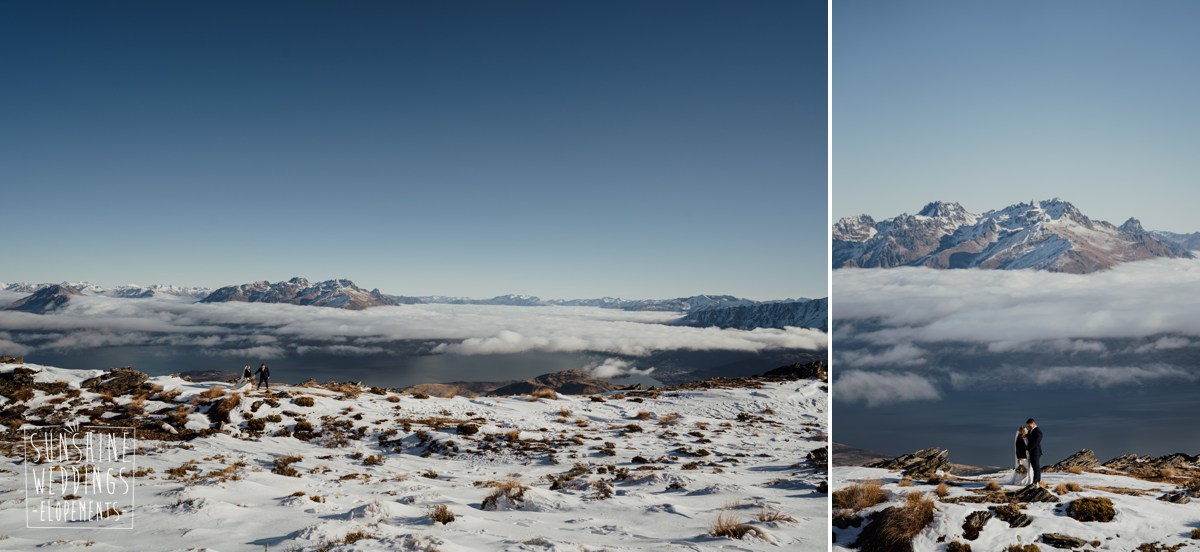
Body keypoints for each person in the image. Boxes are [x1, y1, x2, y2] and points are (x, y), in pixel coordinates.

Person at [1026, 418, 1043, 487]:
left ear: (1033, 423)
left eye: (1029, 425)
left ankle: (1036, 481)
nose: (1028, 426)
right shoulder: (1031, 431)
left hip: (1036, 452)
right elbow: (1030, 438)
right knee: (1034, 467)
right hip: (1032, 452)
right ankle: (1037, 481)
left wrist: (1028, 448)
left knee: (1036, 467)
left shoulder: (1038, 432)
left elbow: (1036, 442)